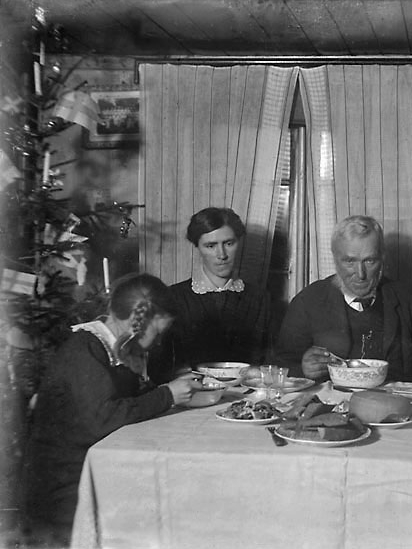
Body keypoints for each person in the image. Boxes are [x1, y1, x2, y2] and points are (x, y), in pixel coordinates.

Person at [23, 273, 198, 545]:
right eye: (159, 333)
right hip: (62, 487)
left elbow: (120, 401)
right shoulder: (84, 350)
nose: (159, 342)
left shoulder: (111, 347)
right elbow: (103, 419)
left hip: (89, 468)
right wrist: (167, 395)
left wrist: (165, 390)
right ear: (138, 322)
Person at [273, 215, 412, 382]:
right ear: (335, 260)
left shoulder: (410, 303)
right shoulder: (308, 302)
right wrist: (303, 369)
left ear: (382, 259)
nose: (361, 274)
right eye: (350, 262)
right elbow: (279, 367)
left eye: (369, 261)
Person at [148, 207, 270, 384]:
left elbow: (269, 362)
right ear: (197, 247)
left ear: (239, 242)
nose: (221, 255)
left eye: (229, 243)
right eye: (211, 246)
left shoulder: (259, 298)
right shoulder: (173, 297)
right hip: (192, 399)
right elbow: (158, 368)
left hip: (245, 400)